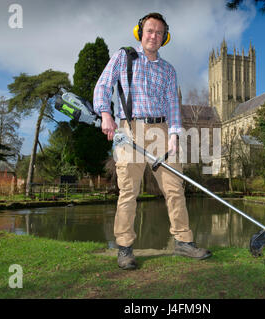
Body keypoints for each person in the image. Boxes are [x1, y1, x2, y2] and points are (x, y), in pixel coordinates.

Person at [93, 12, 211, 270]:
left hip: (161, 130)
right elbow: (103, 85)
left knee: (174, 188)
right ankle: (124, 248)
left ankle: (183, 242)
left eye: (159, 33)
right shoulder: (123, 57)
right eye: (150, 30)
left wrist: (174, 136)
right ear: (140, 32)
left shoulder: (169, 70)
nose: (154, 36)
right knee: (128, 191)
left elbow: (172, 105)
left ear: (164, 38)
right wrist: (105, 114)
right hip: (130, 128)